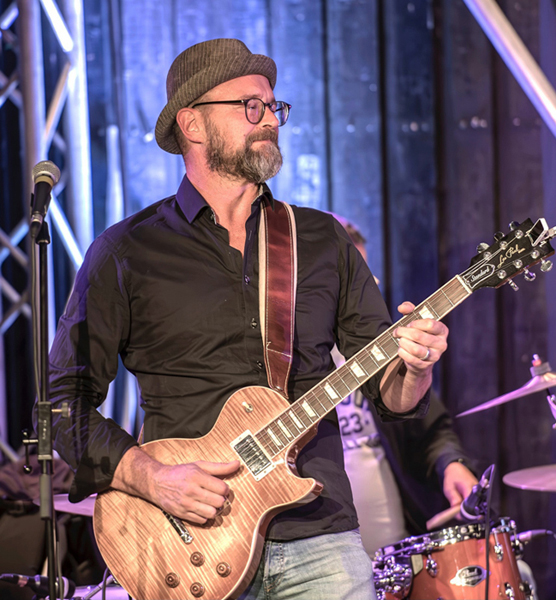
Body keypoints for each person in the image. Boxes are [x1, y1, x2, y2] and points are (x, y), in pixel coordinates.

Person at [40, 39, 451, 600]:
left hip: (319, 535)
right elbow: (61, 403)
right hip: (187, 544)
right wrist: (151, 478)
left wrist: (416, 368)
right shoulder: (127, 253)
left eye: (273, 107)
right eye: (250, 107)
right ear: (192, 124)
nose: (270, 121)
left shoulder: (321, 239)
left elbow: (391, 396)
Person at [331, 217, 478, 556]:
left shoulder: (383, 350)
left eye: (367, 280)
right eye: (350, 278)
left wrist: (451, 463)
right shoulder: (285, 361)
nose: (361, 292)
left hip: (396, 554)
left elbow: (433, 431)